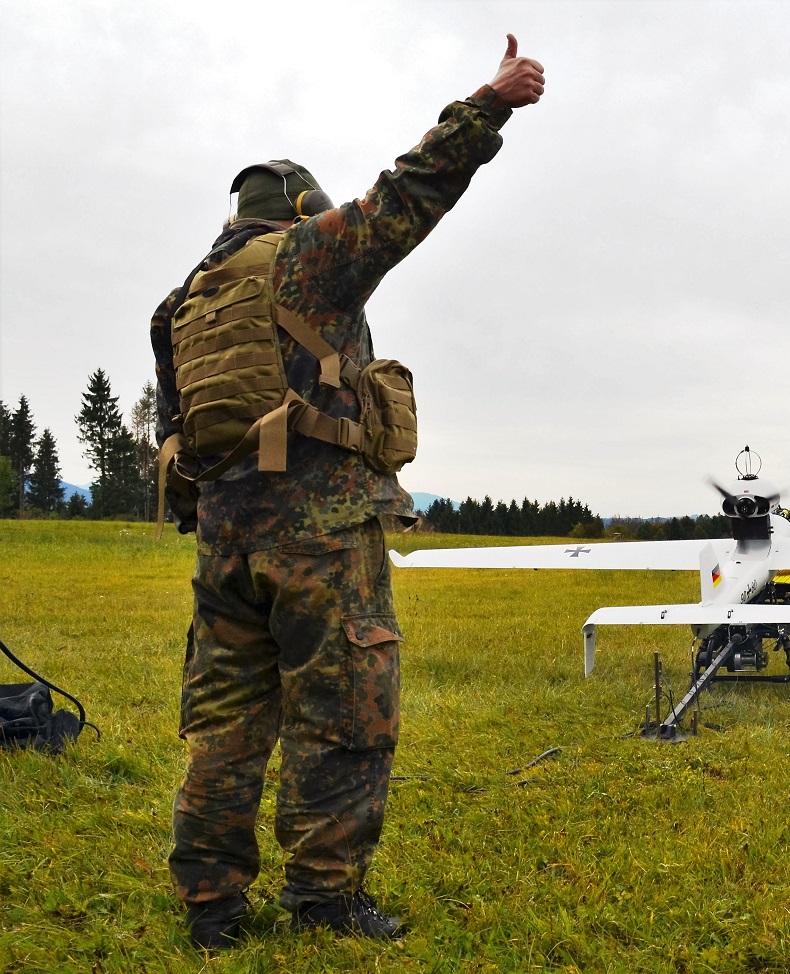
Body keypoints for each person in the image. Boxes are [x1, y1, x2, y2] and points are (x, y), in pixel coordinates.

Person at [149, 35, 545, 950]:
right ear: (295, 208)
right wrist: (490, 104)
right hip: (322, 535)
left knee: (223, 722)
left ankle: (210, 911)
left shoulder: (182, 305)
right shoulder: (306, 258)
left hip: (224, 546)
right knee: (344, 718)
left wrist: (214, 521)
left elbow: (174, 431)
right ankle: (324, 899)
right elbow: (407, 194)